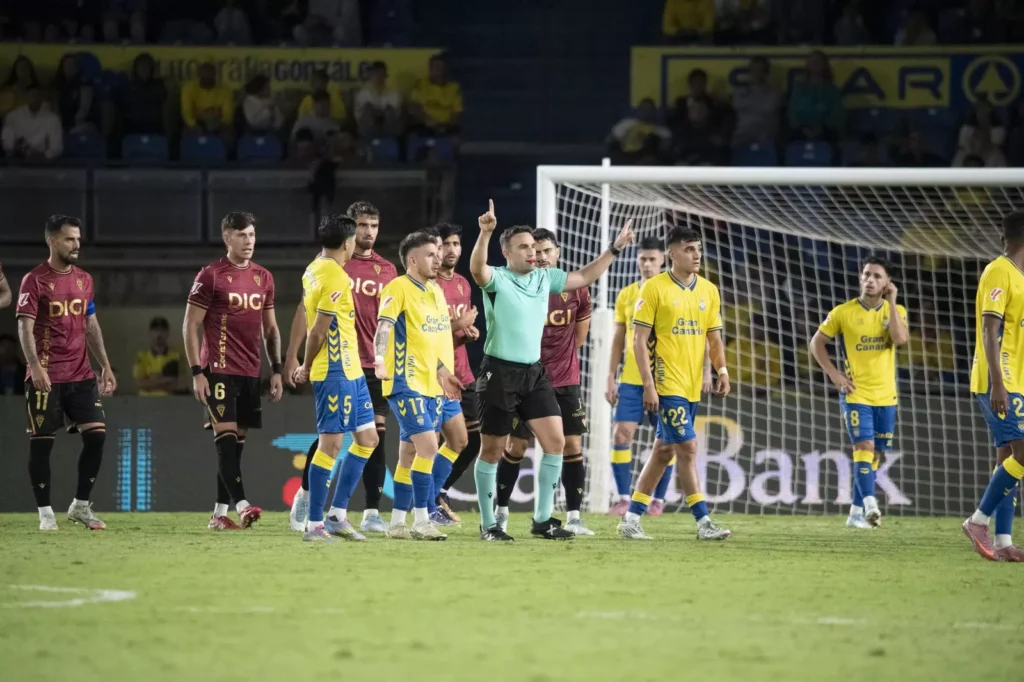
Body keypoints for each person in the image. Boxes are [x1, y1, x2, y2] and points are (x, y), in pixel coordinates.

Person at [470, 199, 634, 541]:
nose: (532, 253)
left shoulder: (546, 277)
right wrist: (484, 233)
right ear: (508, 253)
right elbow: (477, 270)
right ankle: (489, 525)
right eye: (524, 248)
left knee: (556, 441)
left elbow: (586, 275)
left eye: (534, 246)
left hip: (535, 374)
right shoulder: (497, 279)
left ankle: (542, 520)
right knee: (493, 449)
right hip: (499, 373)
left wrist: (614, 249)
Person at [286, 201, 397, 534]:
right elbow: (318, 328)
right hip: (335, 369)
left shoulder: (314, 268)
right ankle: (315, 523)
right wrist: (304, 364)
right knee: (331, 444)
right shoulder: (335, 275)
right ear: (348, 241)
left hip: (356, 371)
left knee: (367, 439)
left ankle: (337, 514)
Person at [617, 226, 731, 541]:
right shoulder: (653, 289)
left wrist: (721, 371)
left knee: (664, 450)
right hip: (667, 383)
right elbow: (639, 342)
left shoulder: (709, 290)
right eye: (689, 249)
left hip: (693, 384)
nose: (696, 255)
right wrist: (649, 386)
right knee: (688, 448)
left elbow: (714, 338)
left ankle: (630, 519)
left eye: (698, 249)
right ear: (673, 253)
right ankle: (703, 521)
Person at [16, 214, 117, 531]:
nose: (76, 244)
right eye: (69, 239)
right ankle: (46, 512)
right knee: (42, 443)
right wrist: (35, 366)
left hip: (82, 375)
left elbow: (91, 324)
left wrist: (105, 365)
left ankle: (80, 507)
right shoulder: (34, 280)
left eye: (78, 238)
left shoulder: (84, 280)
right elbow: (24, 326)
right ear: (52, 241)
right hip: (47, 376)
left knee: (97, 436)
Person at [184, 212, 283, 532]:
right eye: (242, 235)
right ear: (227, 238)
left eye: (252, 234)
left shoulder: (263, 278)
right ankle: (242, 505)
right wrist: (197, 371)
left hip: (249, 371)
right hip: (218, 368)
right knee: (225, 441)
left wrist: (277, 370)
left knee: (234, 448)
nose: (249, 241)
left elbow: (270, 329)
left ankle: (218, 514)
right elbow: (191, 324)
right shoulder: (211, 275)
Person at [495, 228, 594, 535]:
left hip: (564, 379)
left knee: (572, 445)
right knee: (516, 445)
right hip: (526, 379)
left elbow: (579, 336)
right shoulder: (522, 285)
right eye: (536, 252)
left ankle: (574, 517)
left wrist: (561, 364)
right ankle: (501, 513)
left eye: (547, 251)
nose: (541, 257)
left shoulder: (575, 289)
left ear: (558, 253)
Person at [372, 231, 462, 541]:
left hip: (431, 384)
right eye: (430, 254)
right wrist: (378, 359)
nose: (438, 258)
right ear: (412, 259)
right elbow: (383, 326)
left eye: (438, 254)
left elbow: (430, 338)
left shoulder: (436, 290)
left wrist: (443, 371)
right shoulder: (397, 288)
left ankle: (397, 523)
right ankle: (422, 520)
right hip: (405, 381)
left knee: (408, 456)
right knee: (430, 447)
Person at [808, 257, 909, 529]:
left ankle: (854, 513)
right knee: (863, 447)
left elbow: (900, 340)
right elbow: (816, 342)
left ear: (886, 283)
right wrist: (833, 374)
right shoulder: (843, 312)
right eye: (866, 274)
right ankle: (870, 505)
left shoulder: (895, 311)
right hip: (856, 393)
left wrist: (892, 301)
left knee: (874, 454)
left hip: (886, 395)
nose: (870, 280)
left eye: (877, 276)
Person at [605, 236, 689, 517]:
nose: (647, 264)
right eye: (643, 258)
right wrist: (609, 375)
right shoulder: (627, 294)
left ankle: (658, 501)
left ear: (663, 260)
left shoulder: (672, 292)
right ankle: (623, 498)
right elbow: (619, 338)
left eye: (653, 259)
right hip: (631, 378)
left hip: (666, 378)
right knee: (622, 433)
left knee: (667, 441)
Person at [963, 211, 1024, 562]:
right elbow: (990, 330)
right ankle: (977, 521)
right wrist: (999, 384)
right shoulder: (999, 271)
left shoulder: (1018, 275)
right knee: (1022, 455)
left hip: (1015, 379)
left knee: (1007, 459)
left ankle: (1003, 541)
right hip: (997, 380)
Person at [434, 222, 482, 522]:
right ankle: (426, 500)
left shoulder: (463, 283)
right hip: (436, 376)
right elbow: (426, 332)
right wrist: (459, 324)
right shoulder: (428, 285)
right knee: (438, 442)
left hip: (463, 374)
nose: (451, 250)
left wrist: (467, 332)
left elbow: (452, 332)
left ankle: (440, 490)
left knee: (473, 441)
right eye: (445, 245)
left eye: (455, 244)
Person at [2, 85, 63, 160]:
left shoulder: (53, 119)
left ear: (42, 96)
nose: (34, 99)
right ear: (25, 96)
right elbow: (7, 145)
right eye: (31, 95)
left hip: (44, 164)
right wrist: (16, 147)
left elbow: (56, 149)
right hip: (18, 162)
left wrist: (40, 156)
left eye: (37, 95)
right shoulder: (12, 116)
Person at [133, 317, 182, 397]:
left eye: (162, 330)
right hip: (144, 401)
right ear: (150, 333)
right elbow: (140, 383)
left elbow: (175, 385)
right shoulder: (142, 356)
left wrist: (151, 380)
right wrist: (165, 380)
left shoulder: (175, 356)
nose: (159, 334)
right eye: (155, 330)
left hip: (168, 401)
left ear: (167, 333)